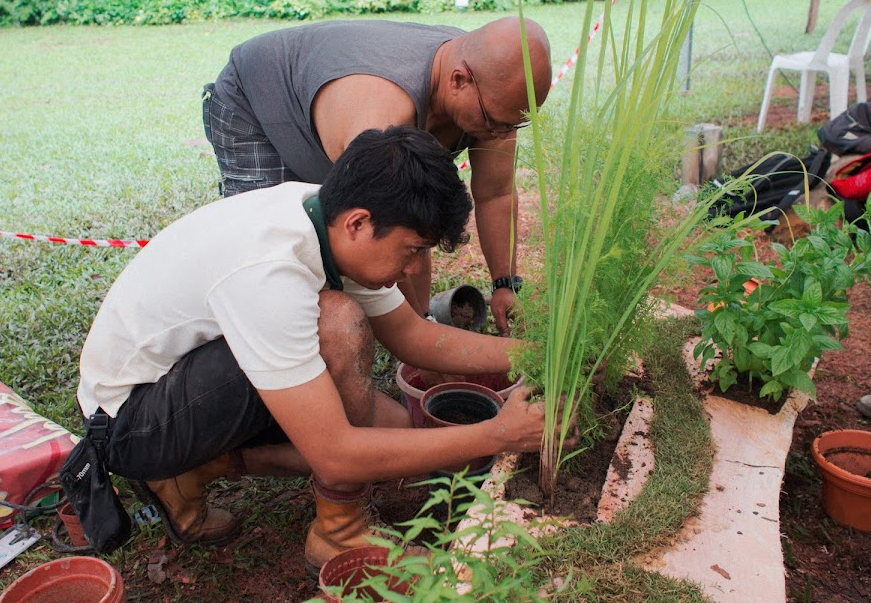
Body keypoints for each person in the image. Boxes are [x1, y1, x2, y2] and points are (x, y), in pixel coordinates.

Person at [77, 126, 562, 573]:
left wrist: (541, 353)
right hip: (132, 423)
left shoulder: (324, 219)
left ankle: (199, 469)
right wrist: (496, 435)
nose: (417, 270)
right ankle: (338, 532)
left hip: (181, 381)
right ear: (358, 223)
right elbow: (334, 455)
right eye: (413, 249)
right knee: (337, 326)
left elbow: (415, 337)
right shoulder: (270, 271)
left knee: (397, 429)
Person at [202, 17, 553, 335]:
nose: (500, 134)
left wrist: (505, 284)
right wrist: (420, 330)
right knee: (279, 256)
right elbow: (388, 234)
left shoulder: (494, 89)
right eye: (495, 123)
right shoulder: (381, 111)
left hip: (334, 121)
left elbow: (496, 194)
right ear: (458, 80)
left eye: (515, 124)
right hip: (257, 101)